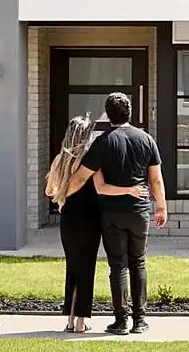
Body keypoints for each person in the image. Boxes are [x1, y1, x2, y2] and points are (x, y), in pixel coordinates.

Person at [66, 92, 167, 335]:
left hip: (112, 213)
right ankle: (139, 320)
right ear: (129, 113)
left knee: (118, 266)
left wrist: (63, 196)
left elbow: (81, 176)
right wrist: (161, 207)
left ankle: (120, 321)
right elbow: (156, 180)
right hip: (140, 212)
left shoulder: (103, 142)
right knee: (139, 263)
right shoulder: (146, 139)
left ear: (108, 114)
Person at [45, 115, 147, 334]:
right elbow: (102, 188)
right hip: (90, 218)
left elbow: (49, 192)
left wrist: (63, 198)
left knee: (73, 267)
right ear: (84, 135)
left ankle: (70, 320)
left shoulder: (58, 160)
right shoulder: (90, 160)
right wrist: (130, 190)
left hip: (68, 219)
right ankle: (81, 321)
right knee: (86, 268)